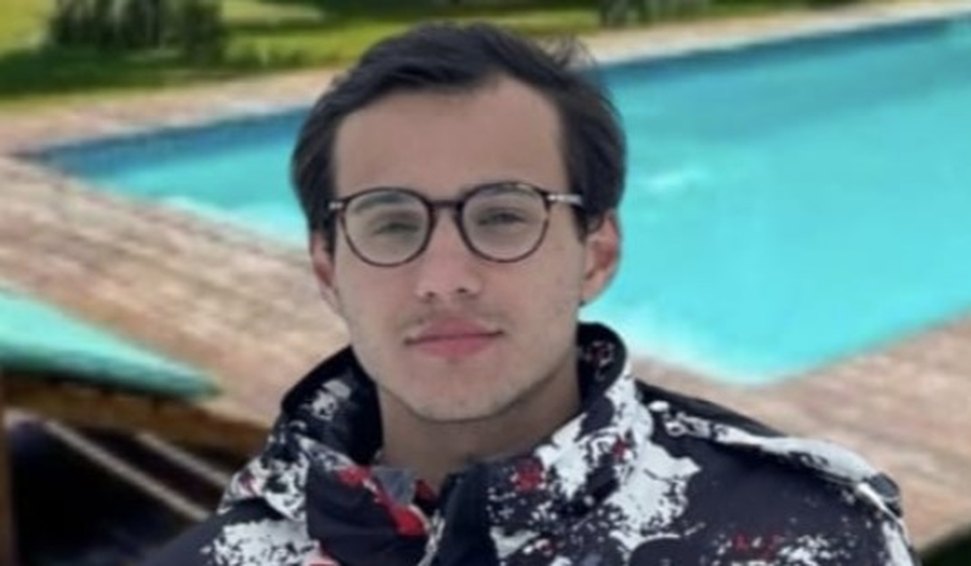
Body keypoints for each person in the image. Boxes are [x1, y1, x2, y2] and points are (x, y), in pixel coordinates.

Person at [145, 22, 918, 566]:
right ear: (326, 269)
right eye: (390, 223)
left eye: (503, 215)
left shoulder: (810, 538)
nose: (444, 277)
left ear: (595, 253)